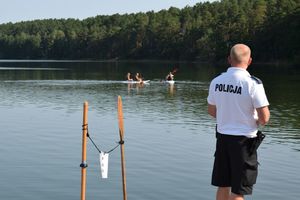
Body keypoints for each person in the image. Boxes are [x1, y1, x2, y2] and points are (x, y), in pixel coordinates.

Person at [207, 44, 270, 200]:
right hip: (244, 143)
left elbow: (211, 111)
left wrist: (228, 117)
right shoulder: (253, 84)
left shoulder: (217, 81)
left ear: (229, 59)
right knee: (238, 190)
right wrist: (250, 119)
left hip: (222, 139)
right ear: (249, 61)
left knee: (223, 185)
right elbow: (264, 118)